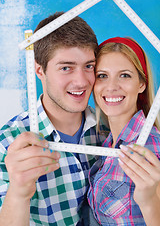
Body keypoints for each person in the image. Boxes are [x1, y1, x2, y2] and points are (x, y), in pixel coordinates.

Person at [0, 12, 109, 226]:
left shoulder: (111, 131)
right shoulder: (8, 143)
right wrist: (19, 193)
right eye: (66, 68)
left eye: (88, 66)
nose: (81, 81)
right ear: (40, 70)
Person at [87, 37, 160, 226]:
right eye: (102, 75)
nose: (111, 87)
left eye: (125, 75)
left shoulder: (152, 148)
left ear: (141, 84)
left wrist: (150, 201)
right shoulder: (106, 142)